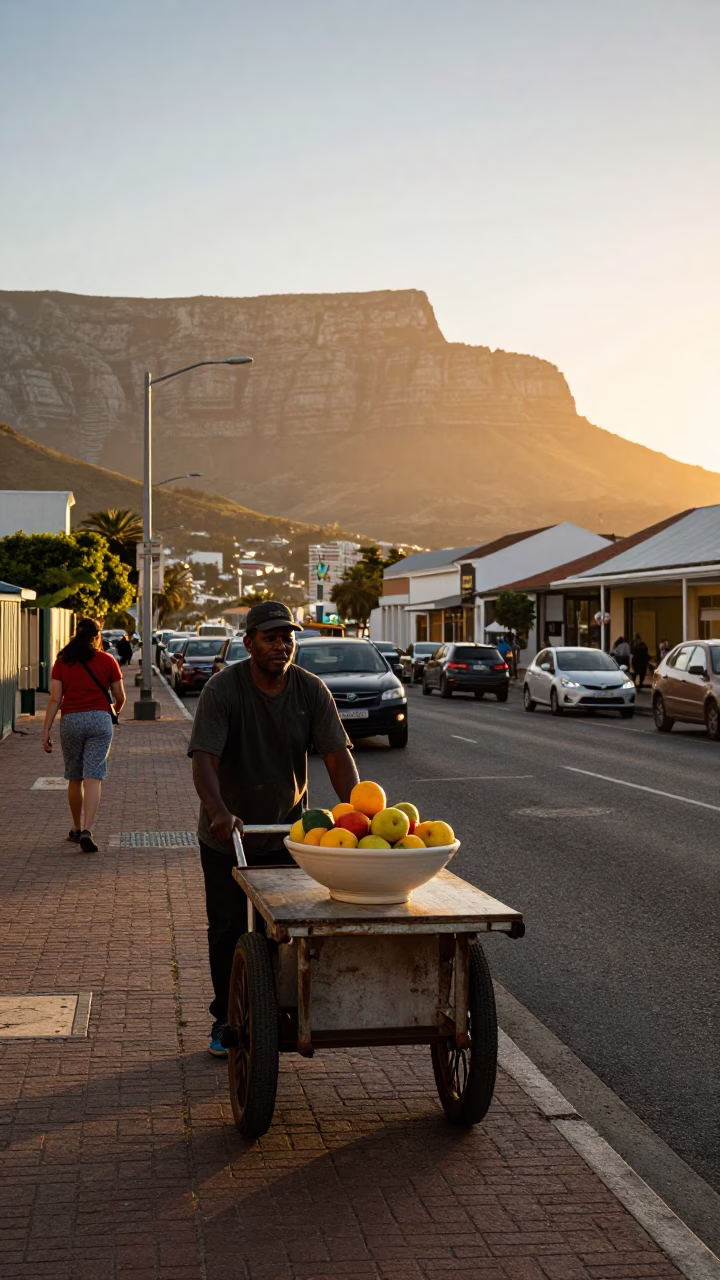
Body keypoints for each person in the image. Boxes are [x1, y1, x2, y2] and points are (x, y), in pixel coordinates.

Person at [188, 600, 359, 1057]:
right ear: (249, 643)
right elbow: (204, 760)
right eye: (271, 637)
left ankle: (277, 1008)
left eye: (288, 638)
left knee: (286, 929)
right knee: (227, 929)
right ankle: (226, 1017)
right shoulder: (223, 691)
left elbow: (338, 758)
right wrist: (219, 811)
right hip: (230, 835)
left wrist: (357, 812)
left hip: (287, 833)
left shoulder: (310, 690)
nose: (282, 645)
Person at [42, 617, 125, 853]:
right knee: (93, 775)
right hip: (100, 720)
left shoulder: (62, 661)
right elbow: (120, 697)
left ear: (75, 635)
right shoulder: (108, 660)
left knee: (75, 776)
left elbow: (55, 699)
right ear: (97, 637)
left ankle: (76, 828)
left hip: (71, 721)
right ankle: (88, 829)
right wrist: (113, 713)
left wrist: (45, 730)